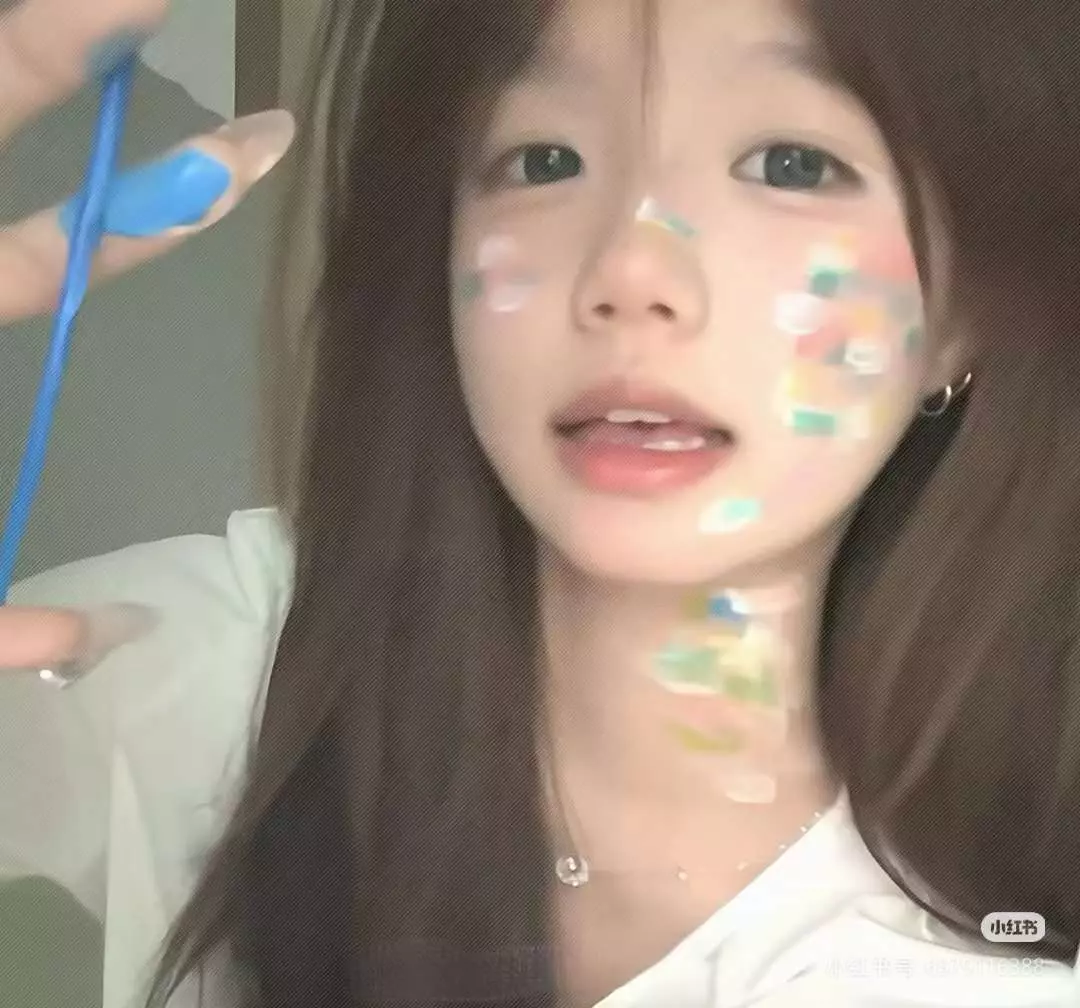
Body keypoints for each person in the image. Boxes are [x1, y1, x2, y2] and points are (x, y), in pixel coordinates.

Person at [1, 0, 1079, 1005]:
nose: (630, 271)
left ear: (960, 312)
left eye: (793, 164)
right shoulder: (219, 661)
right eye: (542, 159)